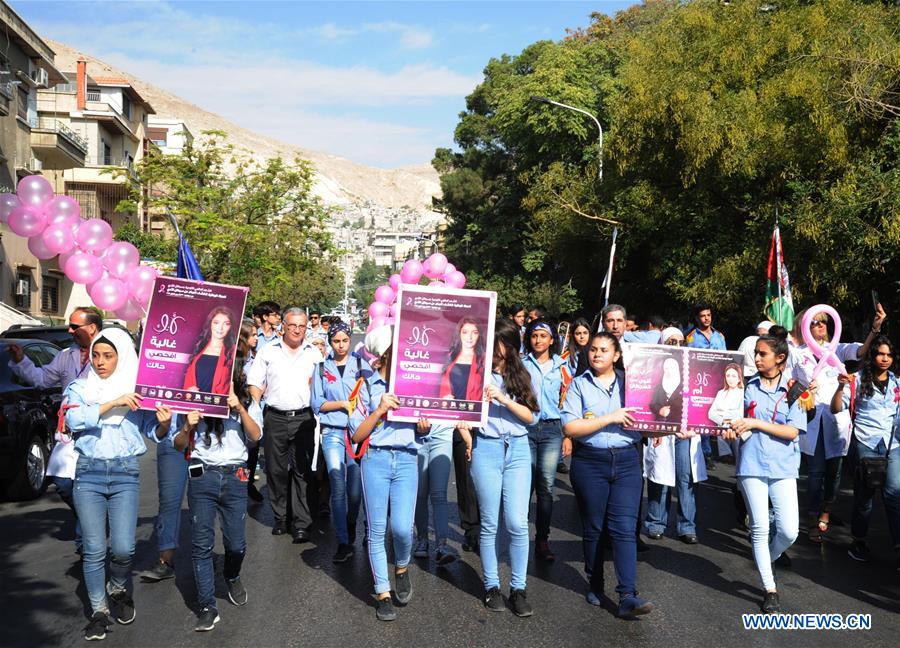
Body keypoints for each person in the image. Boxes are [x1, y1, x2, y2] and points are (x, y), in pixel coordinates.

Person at [64, 328, 171, 641]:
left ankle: (118, 587)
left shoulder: (137, 390)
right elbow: (73, 420)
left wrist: (164, 424)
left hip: (125, 473)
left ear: (121, 357)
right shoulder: (80, 387)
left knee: (124, 549)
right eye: (96, 355)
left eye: (108, 356)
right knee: (94, 549)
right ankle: (99, 612)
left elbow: (151, 430)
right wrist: (112, 403)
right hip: (89, 473)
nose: (100, 362)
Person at [562, 331, 655, 618]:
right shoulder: (579, 384)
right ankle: (595, 581)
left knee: (624, 528)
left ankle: (628, 595)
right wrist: (609, 418)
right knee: (594, 527)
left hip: (627, 461)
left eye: (604, 350)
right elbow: (570, 427)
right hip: (590, 462)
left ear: (616, 355)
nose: (597, 354)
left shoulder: (633, 384)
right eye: (593, 349)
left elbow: (650, 423)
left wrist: (674, 427)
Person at [170, 348, 262, 632]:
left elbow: (256, 435)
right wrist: (187, 426)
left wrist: (240, 409)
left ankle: (231, 575)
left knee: (236, 544)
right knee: (201, 545)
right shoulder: (193, 397)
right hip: (203, 475)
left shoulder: (246, 398)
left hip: (235, 476)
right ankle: (207, 606)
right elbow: (178, 444)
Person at [722, 326, 806, 614]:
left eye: (762, 354)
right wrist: (729, 430)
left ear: (780, 358)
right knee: (759, 527)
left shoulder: (796, 391)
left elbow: (792, 431)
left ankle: (767, 558)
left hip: (783, 467)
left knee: (789, 531)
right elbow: (730, 419)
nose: (756, 358)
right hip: (751, 464)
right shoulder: (745, 386)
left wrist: (756, 423)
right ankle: (770, 588)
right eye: (756, 353)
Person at [7, 306, 103, 555]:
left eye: (75, 326)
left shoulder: (108, 353)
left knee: (88, 484)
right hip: (69, 433)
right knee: (62, 483)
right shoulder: (65, 356)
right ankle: (92, 519)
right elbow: (42, 379)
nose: (69, 330)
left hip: (98, 431)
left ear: (92, 328)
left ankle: (87, 542)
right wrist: (21, 360)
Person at [459, 319, 539, 616]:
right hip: (487, 448)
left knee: (518, 523)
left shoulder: (524, 374)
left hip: (517, 449)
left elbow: (532, 417)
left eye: (498, 344)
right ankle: (492, 586)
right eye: (490, 344)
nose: (493, 350)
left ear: (510, 346)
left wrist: (503, 399)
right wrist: (467, 434)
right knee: (490, 523)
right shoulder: (476, 372)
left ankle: (518, 589)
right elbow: (461, 412)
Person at [351, 325, 429, 622]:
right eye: (397, 349)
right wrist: (378, 410)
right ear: (384, 353)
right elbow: (357, 435)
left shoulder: (415, 384)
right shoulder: (365, 385)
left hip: (407, 459)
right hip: (375, 459)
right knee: (376, 530)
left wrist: (424, 427)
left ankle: (402, 566)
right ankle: (382, 593)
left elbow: (424, 428)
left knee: (402, 529)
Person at [791, 305, 886, 542]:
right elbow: (789, 384)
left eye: (823, 321)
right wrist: (803, 389)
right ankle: (813, 517)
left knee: (834, 473)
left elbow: (861, 351)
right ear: (804, 327)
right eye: (814, 322)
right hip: (812, 418)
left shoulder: (837, 349)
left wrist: (875, 329)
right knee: (815, 473)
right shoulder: (797, 354)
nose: (820, 326)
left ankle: (827, 511)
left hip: (836, 418)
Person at [247, 307, 322, 542]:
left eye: (302, 326)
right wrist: (254, 410)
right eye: (293, 326)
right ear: (284, 327)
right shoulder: (268, 352)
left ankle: (301, 523)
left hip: (304, 418)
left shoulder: (314, 354)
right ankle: (281, 516)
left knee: (302, 470)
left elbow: (323, 387)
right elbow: (254, 383)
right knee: (275, 470)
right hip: (275, 417)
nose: (297, 330)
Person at [832, 335, 899, 566]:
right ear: (873, 355)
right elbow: (835, 408)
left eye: (889, 355)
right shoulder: (857, 380)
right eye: (881, 354)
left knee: (894, 495)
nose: (885, 359)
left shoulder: (897, 383)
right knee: (865, 497)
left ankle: (898, 546)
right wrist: (841, 386)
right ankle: (858, 541)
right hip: (866, 442)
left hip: (892, 444)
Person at [310, 320, 370, 562]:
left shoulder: (361, 365)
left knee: (355, 490)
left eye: (345, 340)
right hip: (332, 432)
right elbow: (317, 403)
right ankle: (343, 541)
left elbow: (370, 398)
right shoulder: (321, 368)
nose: (341, 345)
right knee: (337, 484)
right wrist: (341, 404)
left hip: (357, 434)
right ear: (330, 342)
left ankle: (351, 523)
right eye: (336, 341)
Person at [523, 318, 567, 562]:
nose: (538, 340)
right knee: (524, 485)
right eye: (534, 336)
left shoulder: (563, 366)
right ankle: (520, 537)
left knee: (546, 486)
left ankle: (542, 539)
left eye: (543, 336)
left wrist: (568, 435)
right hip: (526, 429)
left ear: (551, 340)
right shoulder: (521, 364)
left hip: (552, 430)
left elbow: (568, 402)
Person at [413, 422, 458, 565]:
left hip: (442, 436)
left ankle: (441, 546)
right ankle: (422, 540)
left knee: (439, 494)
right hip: (415, 438)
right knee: (420, 494)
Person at [183, 307, 238, 396]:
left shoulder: (233, 351)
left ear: (231, 327)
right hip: (194, 402)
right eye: (216, 323)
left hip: (217, 403)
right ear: (210, 324)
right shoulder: (199, 346)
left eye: (226, 324)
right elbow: (189, 380)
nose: (220, 328)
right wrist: (188, 392)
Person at [238, 322, 264, 502]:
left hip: (255, 408)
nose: (256, 338)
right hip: (240, 407)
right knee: (243, 452)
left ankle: (247, 484)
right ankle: (242, 486)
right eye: (253, 335)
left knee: (253, 450)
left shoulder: (256, 356)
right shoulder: (237, 359)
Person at [440, 317, 486, 401]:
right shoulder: (451, 356)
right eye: (465, 332)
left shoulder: (484, 359)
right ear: (459, 333)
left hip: (473, 408)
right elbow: (444, 388)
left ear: (479, 335)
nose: (469, 337)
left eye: (475, 333)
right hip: (451, 407)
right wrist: (445, 399)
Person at [650, 357, 683, 424]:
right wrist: (660, 410)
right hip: (659, 426)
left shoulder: (684, 388)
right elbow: (653, 404)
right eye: (667, 368)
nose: (669, 371)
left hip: (678, 426)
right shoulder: (659, 387)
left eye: (672, 368)